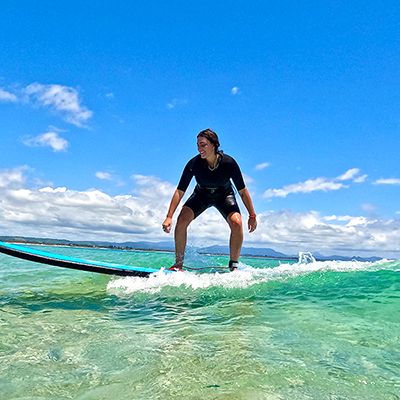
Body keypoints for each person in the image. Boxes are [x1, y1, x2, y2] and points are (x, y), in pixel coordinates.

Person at [162, 128, 257, 271]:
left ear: (214, 145)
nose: (199, 148)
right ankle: (178, 265)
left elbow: (243, 191)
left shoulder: (229, 163)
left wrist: (252, 215)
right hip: (202, 195)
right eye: (198, 145)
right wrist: (169, 216)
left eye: (203, 144)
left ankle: (234, 266)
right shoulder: (194, 164)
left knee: (237, 222)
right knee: (182, 220)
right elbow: (179, 191)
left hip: (224, 195)